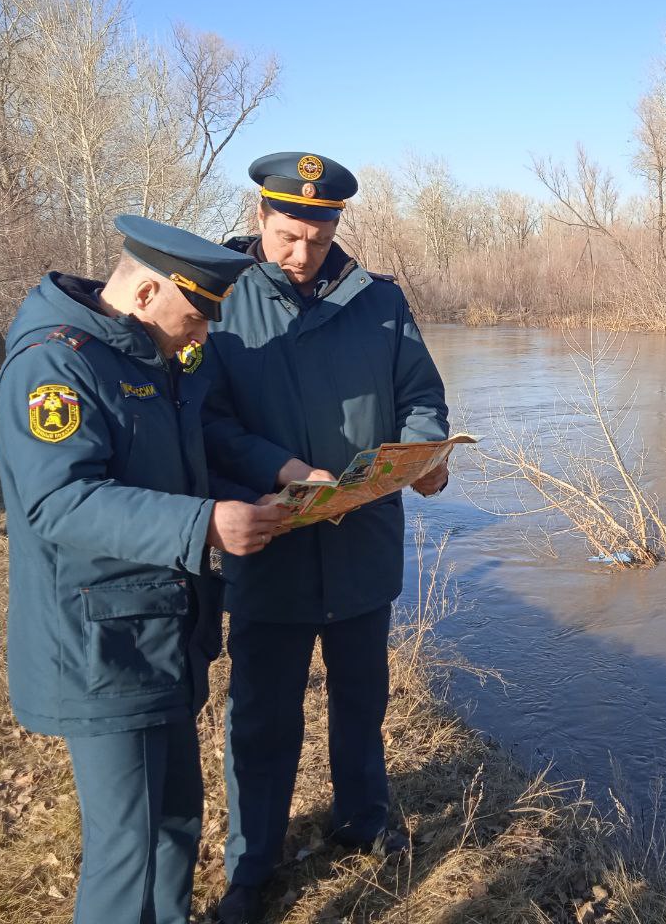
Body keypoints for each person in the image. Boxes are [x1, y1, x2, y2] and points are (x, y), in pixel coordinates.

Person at [0, 215, 290, 924]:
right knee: (127, 849)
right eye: (196, 315)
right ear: (150, 291)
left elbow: (178, 466)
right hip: (101, 647)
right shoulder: (56, 365)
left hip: (163, 637)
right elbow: (60, 502)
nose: (203, 334)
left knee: (175, 821)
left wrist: (260, 495)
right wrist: (205, 525)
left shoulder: (146, 355)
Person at [202, 152, 451, 922]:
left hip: (360, 547)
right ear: (260, 219)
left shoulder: (379, 300)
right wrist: (279, 468)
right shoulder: (219, 300)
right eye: (286, 234)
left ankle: (362, 819)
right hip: (270, 543)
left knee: (360, 698)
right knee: (264, 713)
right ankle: (252, 863)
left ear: (337, 224)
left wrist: (427, 454)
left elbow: (421, 395)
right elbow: (205, 421)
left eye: (316, 235)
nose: (300, 251)